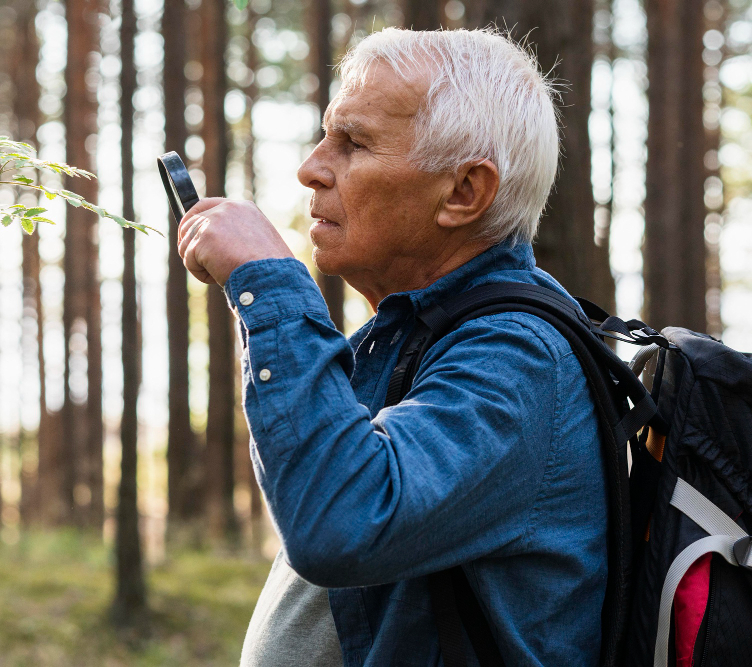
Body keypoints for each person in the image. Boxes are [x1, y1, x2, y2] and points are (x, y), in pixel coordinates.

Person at [177, 27, 606, 666]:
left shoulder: (519, 356)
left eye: (353, 143)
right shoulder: (421, 333)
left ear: (464, 192)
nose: (311, 167)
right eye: (327, 135)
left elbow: (343, 521)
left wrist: (270, 282)